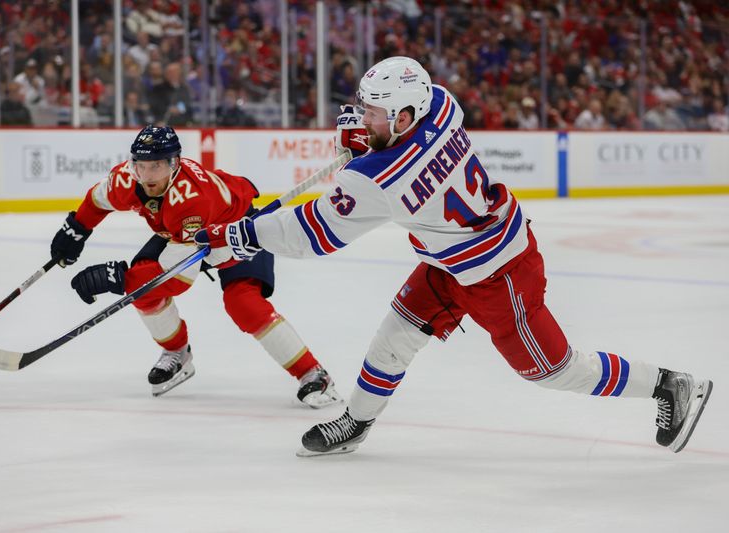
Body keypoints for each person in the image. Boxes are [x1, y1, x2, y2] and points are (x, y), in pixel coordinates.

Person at [195, 56, 713, 456]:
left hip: (498, 273)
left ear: (402, 115)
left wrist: (245, 233)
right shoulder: (442, 108)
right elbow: (402, 131)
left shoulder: (377, 178)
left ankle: (671, 384)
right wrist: (375, 139)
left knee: (552, 369)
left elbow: (314, 234)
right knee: (393, 335)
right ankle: (357, 421)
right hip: (456, 257)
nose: (362, 117)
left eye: (373, 112)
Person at [49, 125, 341, 407]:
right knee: (143, 291)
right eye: (142, 165)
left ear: (174, 165)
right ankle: (177, 353)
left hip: (235, 230)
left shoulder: (192, 200)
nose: (148, 175)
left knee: (243, 303)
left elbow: (177, 278)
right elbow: (98, 199)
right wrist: (76, 229)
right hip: (180, 235)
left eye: (158, 166)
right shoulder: (127, 180)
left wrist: (118, 279)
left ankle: (314, 374)